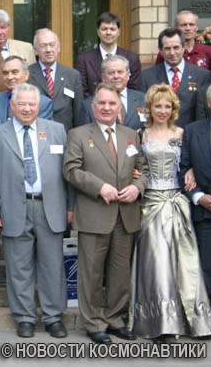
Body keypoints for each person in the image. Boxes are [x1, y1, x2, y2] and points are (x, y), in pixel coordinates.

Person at [63, 83, 149, 345]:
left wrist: (137, 188)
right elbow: (71, 170)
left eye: (112, 103)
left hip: (126, 215)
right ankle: (94, 323)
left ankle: (115, 319)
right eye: (101, 103)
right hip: (94, 214)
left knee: (120, 274)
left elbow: (144, 170)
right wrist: (99, 187)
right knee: (92, 274)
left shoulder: (131, 135)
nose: (107, 108)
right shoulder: (78, 134)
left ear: (119, 107)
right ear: (93, 106)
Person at [128, 84, 211, 341]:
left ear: (173, 109)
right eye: (158, 106)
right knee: (157, 264)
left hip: (178, 203)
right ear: (149, 108)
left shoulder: (181, 133)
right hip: (151, 204)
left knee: (185, 264)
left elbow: (191, 161)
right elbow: (133, 164)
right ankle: (159, 322)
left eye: (167, 106)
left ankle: (194, 322)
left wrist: (192, 170)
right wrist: (134, 173)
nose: (163, 110)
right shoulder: (140, 135)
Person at [0, 83, 71, 339]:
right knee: (19, 267)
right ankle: (24, 317)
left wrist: (71, 207)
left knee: (52, 266)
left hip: (50, 207)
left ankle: (53, 317)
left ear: (39, 106)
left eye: (32, 104)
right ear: (12, 105)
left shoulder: (56, 131)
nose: (27, 108)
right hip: (13, 207)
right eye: (21, 103)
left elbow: (69, 172)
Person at [0, 55, 53, 289]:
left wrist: (4, 139)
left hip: (26, 178)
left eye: (15, 72)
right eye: (5, 72)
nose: (10, 77)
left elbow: (38, 134)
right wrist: (0, 140)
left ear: (26, 74)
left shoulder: (42, 102)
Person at [179, 80, 211, 335]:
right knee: (208, 267)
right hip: (204, 210)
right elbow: (183, 169)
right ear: (208, 103)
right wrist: (199, 197)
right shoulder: (193, 131)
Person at [141, 28, 211, 128]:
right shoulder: (146, 77)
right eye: (167, 48)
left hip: (190, 133)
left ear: (183, 47)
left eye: (176, 47)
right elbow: (144, 109)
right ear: (160, 50)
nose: (172, 53)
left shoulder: (202, 75)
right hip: (158, 132)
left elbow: (203, 112)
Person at [27, 28, 84, 132]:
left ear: (58, 48)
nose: (48, 50)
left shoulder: (73, 75)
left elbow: (78, 111)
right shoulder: (27, 74)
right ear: (35, 50)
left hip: (65, 134)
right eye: (43, 46)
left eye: (52, 45)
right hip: (36, 134)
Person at [75, 12, 141, 96]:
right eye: (104, 29)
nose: (108, 32)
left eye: (112, 29)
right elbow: (82, 91)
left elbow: (134, 89)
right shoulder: (84, 60)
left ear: (118, 32)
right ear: (98, 32)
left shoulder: (132, 58)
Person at [79, 55, 146, 132]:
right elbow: (84, 134)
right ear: (103, 77)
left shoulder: (143, 99)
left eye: (120, 72)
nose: (116, 76)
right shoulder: (88, 105)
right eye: (111, 73)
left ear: (128, 75)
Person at [155, 11, 211, 77]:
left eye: (191, 25)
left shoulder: (208, 52)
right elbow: (157, 76)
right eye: (183, 25)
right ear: (175, 27)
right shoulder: (166, 53)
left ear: (196, 27)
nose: (188, 28)